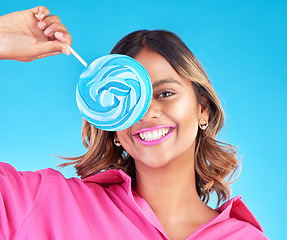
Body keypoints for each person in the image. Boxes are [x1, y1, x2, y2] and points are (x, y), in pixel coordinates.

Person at [0, 6, 268, 240]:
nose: (146, 113)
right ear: (114, 128)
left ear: (203, 109)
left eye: (165, 94)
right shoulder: (46, 203)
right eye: (126, 96)